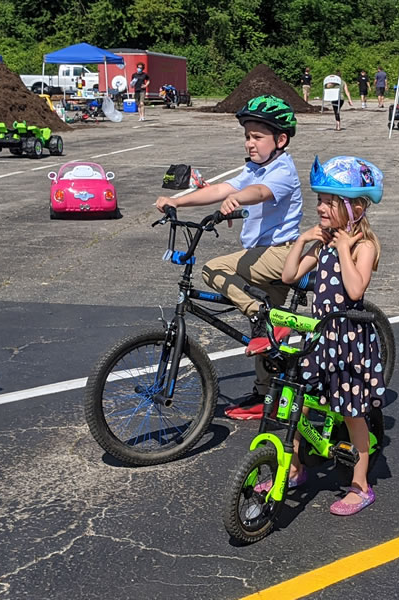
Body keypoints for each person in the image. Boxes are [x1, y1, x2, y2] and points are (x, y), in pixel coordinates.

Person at [155, 95, 303, 420]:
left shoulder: (282, 170)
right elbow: (221, 189)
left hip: (281, 254)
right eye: (247, 136)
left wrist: (238, 199)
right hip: (262, 259)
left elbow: (260, 192)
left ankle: (257, 314)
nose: (250, 143)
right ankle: (264, 396)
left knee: (213, 269)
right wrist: (177, 202)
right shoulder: (254, 168)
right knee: (268, 342)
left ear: (280, 139)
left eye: (257, 137)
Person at [279, 155, 386, 515]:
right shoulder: (322, 242)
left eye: (329, 202)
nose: (321, 208)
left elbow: (355, 291)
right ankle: (293, 470)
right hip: (322, 339)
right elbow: (289, 276)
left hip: (349, 344)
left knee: (353, 413)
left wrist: (343, 248)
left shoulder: (362, 246)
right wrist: (304, 238)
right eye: (320, 201)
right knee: (301, 401)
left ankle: (360, 485)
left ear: (354, 208)